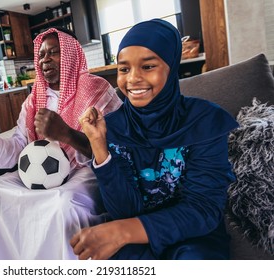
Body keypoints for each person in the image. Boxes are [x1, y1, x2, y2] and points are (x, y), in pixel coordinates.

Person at [71, 19, 239, 260]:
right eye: (124, 69)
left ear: (171, 67)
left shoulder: (204, 121)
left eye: (148, 66)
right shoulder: (113, 126)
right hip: (136, 242)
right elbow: (125, 211)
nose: (132, 79)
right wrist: (99, 145)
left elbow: (203, 210)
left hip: (195, 239)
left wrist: (122, 232)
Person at [0, 27, 122, 259]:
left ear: (71, 55)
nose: (45, 60)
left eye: (53, 52)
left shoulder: (96, 89)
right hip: (41, 171)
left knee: (64, 202)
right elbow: (19, 144)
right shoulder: (33, 100)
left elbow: (116, 146)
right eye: (41, 55)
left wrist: (67, 134)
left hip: (85, 170)